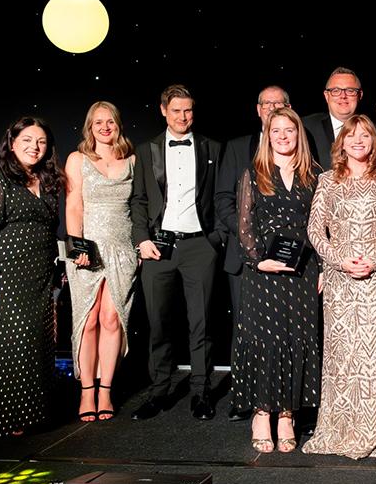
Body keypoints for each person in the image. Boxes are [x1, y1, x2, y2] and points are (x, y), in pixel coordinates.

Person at [303, 114, 376, 459]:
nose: (358, 141)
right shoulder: (327, 180)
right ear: (342, 142)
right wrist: (338, 260)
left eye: (365, 135)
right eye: (351, 135)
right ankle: (340, 428)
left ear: (374, 141)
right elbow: (315, 230)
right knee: (342, 354)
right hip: (340, 278)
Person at [130, 84, 223, 421]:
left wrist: (215, 240)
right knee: (158, 323)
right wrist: (142, 239)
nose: (183, 117)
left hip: (200, 246)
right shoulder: (146, 150)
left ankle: (201, 392)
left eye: (188, 110)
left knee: (201, 324)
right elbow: (139, 200)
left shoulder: (213, 147)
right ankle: (159, 392)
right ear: (163, 110)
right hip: (158, 246)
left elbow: (221, 196)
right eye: (176, 111)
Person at [232, 107, 321, 453]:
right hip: (263, 273)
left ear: (299, 135)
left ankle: (287, 415)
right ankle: (261, 414)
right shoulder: (254, 174)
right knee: (266, 342)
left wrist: (323, 269)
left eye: (289, 130)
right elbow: (244, 224)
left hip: (302, 272)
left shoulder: (314, 174)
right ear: (267, 136)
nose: (283, 136)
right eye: (276, 131)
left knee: (296, 340)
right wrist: (259, 260)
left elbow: (321, 226)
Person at [0, 117, 65, 438]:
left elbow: (49, 230)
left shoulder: (46, 180)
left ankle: (28, 413)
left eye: (41, 142)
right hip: (5, 276)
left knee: (34, 345)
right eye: (27, 140)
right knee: (8, 345)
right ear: (11, 143)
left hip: (39, 277)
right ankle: (2, 417)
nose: (34, 147)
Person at [215, 84, 290, 422]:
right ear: (258, 109)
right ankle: (245, 398)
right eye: (266, 103)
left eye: (279, 103)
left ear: (289, 108)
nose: (272, 107)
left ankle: (283, 400)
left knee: (284, 330)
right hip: (245, 255)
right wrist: (252, 240)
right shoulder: (236, 148)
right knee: (246, 329)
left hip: (288, 256)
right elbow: (223, 201)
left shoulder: (298, 148)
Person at [64, 101, 137, 423]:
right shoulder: (77, 159)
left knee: (111, 319)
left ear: (118, 124)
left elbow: (140, 206)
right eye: (98, 122)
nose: (105, 127)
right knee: (89, 319)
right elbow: (73, 205)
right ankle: (86, 392)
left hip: (122, 249)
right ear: (89, 127)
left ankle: (106, 390)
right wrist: (77, 246)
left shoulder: (132, 160)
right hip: (88, 249)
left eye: (110, 121)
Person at [303, 67, 363, 169]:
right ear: (326, 96)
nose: (343, 96)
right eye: (336, 91)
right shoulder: (306, 127)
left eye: (350, 90)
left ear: (360, 95)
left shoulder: (375, 132)